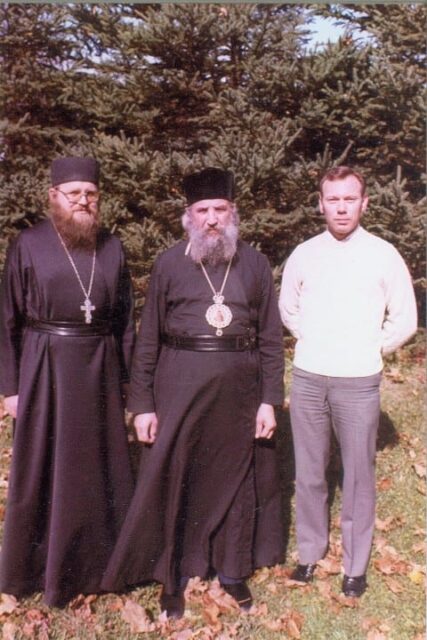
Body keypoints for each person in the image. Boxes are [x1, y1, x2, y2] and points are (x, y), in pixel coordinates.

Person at [101, 167, 284, 618]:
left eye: (219, 209)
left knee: (238, 478)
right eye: (202, 210)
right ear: (188, 216)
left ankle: (234, 571)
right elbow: (148, 340)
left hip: (240, 390)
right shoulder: (168, 263)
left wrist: (269, 399)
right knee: (176, 476)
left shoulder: (255, 263)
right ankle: (172, 576)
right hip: (177, 385)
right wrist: (141, 404)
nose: (211, 219)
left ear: (233, 212)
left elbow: (270, 339)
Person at [0, 156, 135, 606]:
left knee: (98, 466)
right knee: (44, 467)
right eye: (73, 193)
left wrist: (131, 384)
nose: (83, 201)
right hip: (44, 366)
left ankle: (99, 568)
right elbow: (7, 320)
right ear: (53, 197)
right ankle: (36, 571)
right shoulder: (29, 243)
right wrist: (11, 387)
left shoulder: (111, 247)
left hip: (100, 366)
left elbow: (125, 321)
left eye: (91, 194)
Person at [279, 166, 417, 597]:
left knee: (358, 475)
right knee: (310, 470)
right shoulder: (304, 253)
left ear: (364, 203)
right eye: (332, 199)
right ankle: (309, 553)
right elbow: (289, 309)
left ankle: (355, 566)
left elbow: (406, 319)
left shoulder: (383, 254)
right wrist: (317, 342)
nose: (341, 207)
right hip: (308, 378)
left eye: (349, 199)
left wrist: (369, 348)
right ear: (321, 204)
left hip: (358, 381)